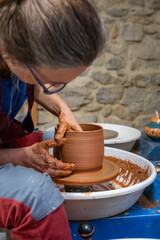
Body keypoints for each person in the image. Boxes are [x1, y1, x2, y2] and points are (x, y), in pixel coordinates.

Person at [0, 0, 106, 239]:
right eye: (53, 81)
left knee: (63, 142)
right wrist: (21, 156)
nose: (53, 88)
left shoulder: (15, 55)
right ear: (14, 55)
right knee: (35, 193)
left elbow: (34, 83)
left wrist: (62, 110)